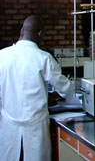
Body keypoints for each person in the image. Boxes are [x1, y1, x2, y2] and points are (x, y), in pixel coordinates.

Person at [0, 16, 71, 161]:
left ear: (22, 31)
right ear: (40, 33)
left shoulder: (2, 56)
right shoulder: (43, 58)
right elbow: (66, 88)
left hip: (9, 126)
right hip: (35, 128)